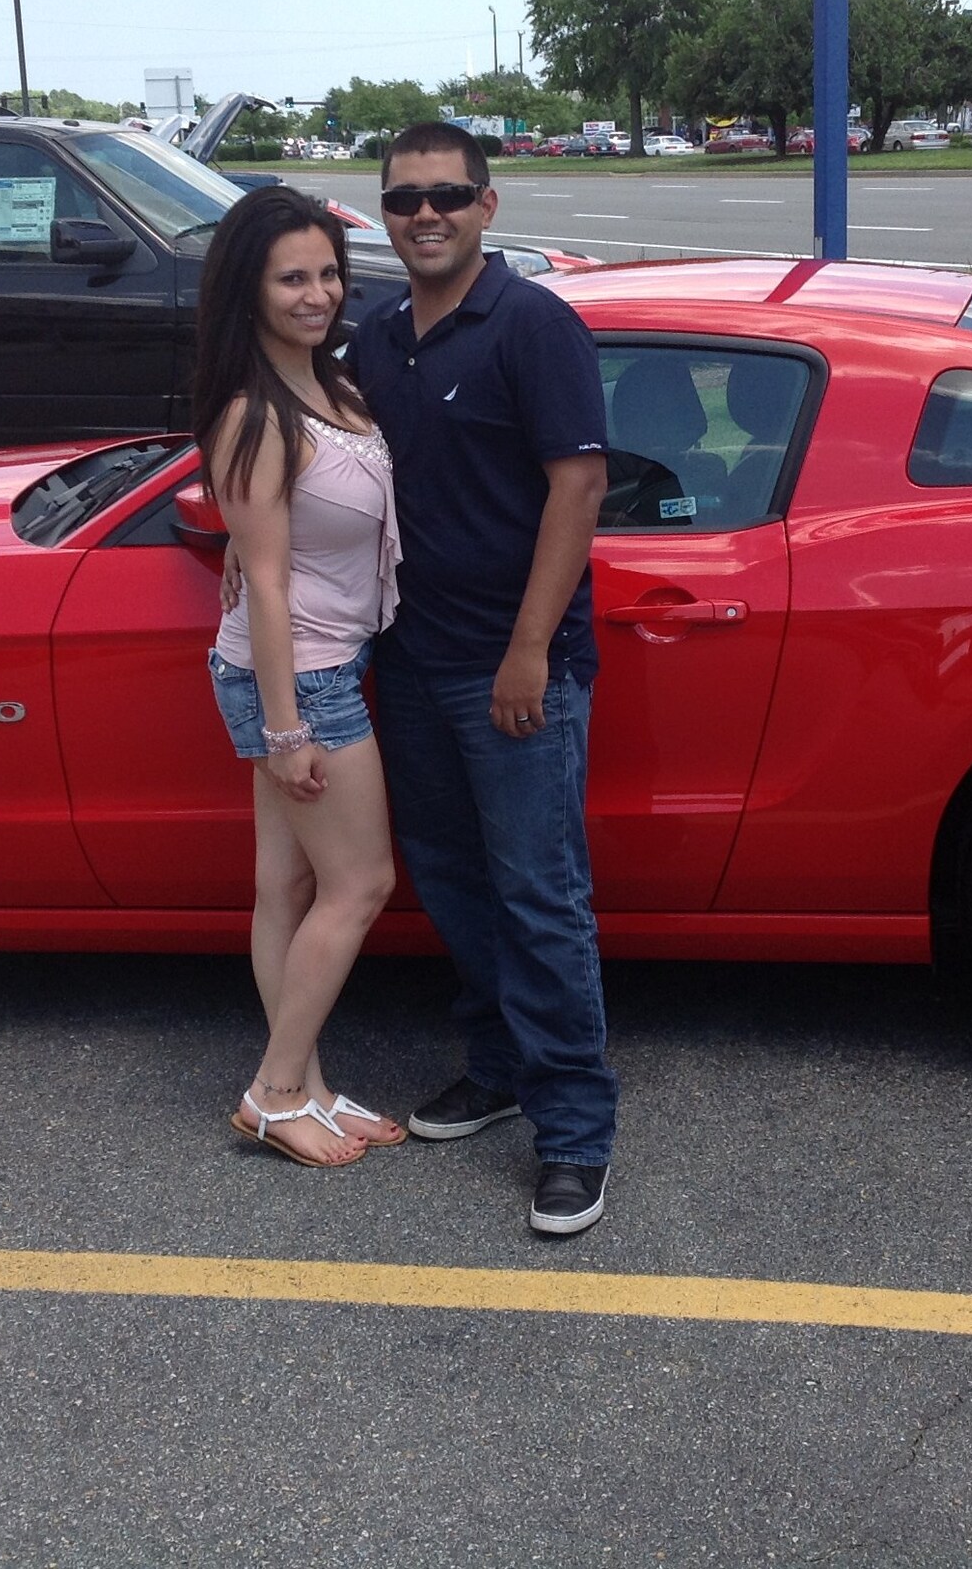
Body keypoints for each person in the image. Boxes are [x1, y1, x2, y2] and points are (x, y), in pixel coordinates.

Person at [357, 121, 616, 1235]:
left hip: (511, 671)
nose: (427, 215)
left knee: (539, 897)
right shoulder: (374, 338)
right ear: (384, 209)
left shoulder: (532, 325)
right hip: (407, 661)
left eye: (448, 196)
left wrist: (526, 650)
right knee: (452, 881)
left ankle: (573, 1133)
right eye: (406, 198)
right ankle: (499, 1063)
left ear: (487, 206)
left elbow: (578, 490)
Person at [195, 186, 408, 1168]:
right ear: (250, 291)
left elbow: (274, 549)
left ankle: (308, 1089)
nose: (317, 293)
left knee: (283, 883)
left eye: (327, 272)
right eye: (293, 278)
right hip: (302, 681)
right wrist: (285, 732)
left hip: (312, 664)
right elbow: (270, 584)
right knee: (360, 881)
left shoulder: (332, 386)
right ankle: (277, 1090)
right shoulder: (255, 415)